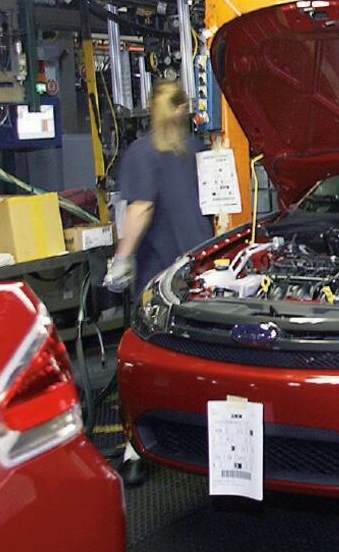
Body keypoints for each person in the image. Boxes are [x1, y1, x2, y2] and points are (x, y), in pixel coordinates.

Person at [103, 80, 213, 484]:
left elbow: (141, 207)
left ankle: (137, 451)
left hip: (159, 280)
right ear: (186, 109)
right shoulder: (201, 151)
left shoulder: (142, 153)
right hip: (202, 273)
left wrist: (121, 258)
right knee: (201, 360)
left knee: (146, 362)